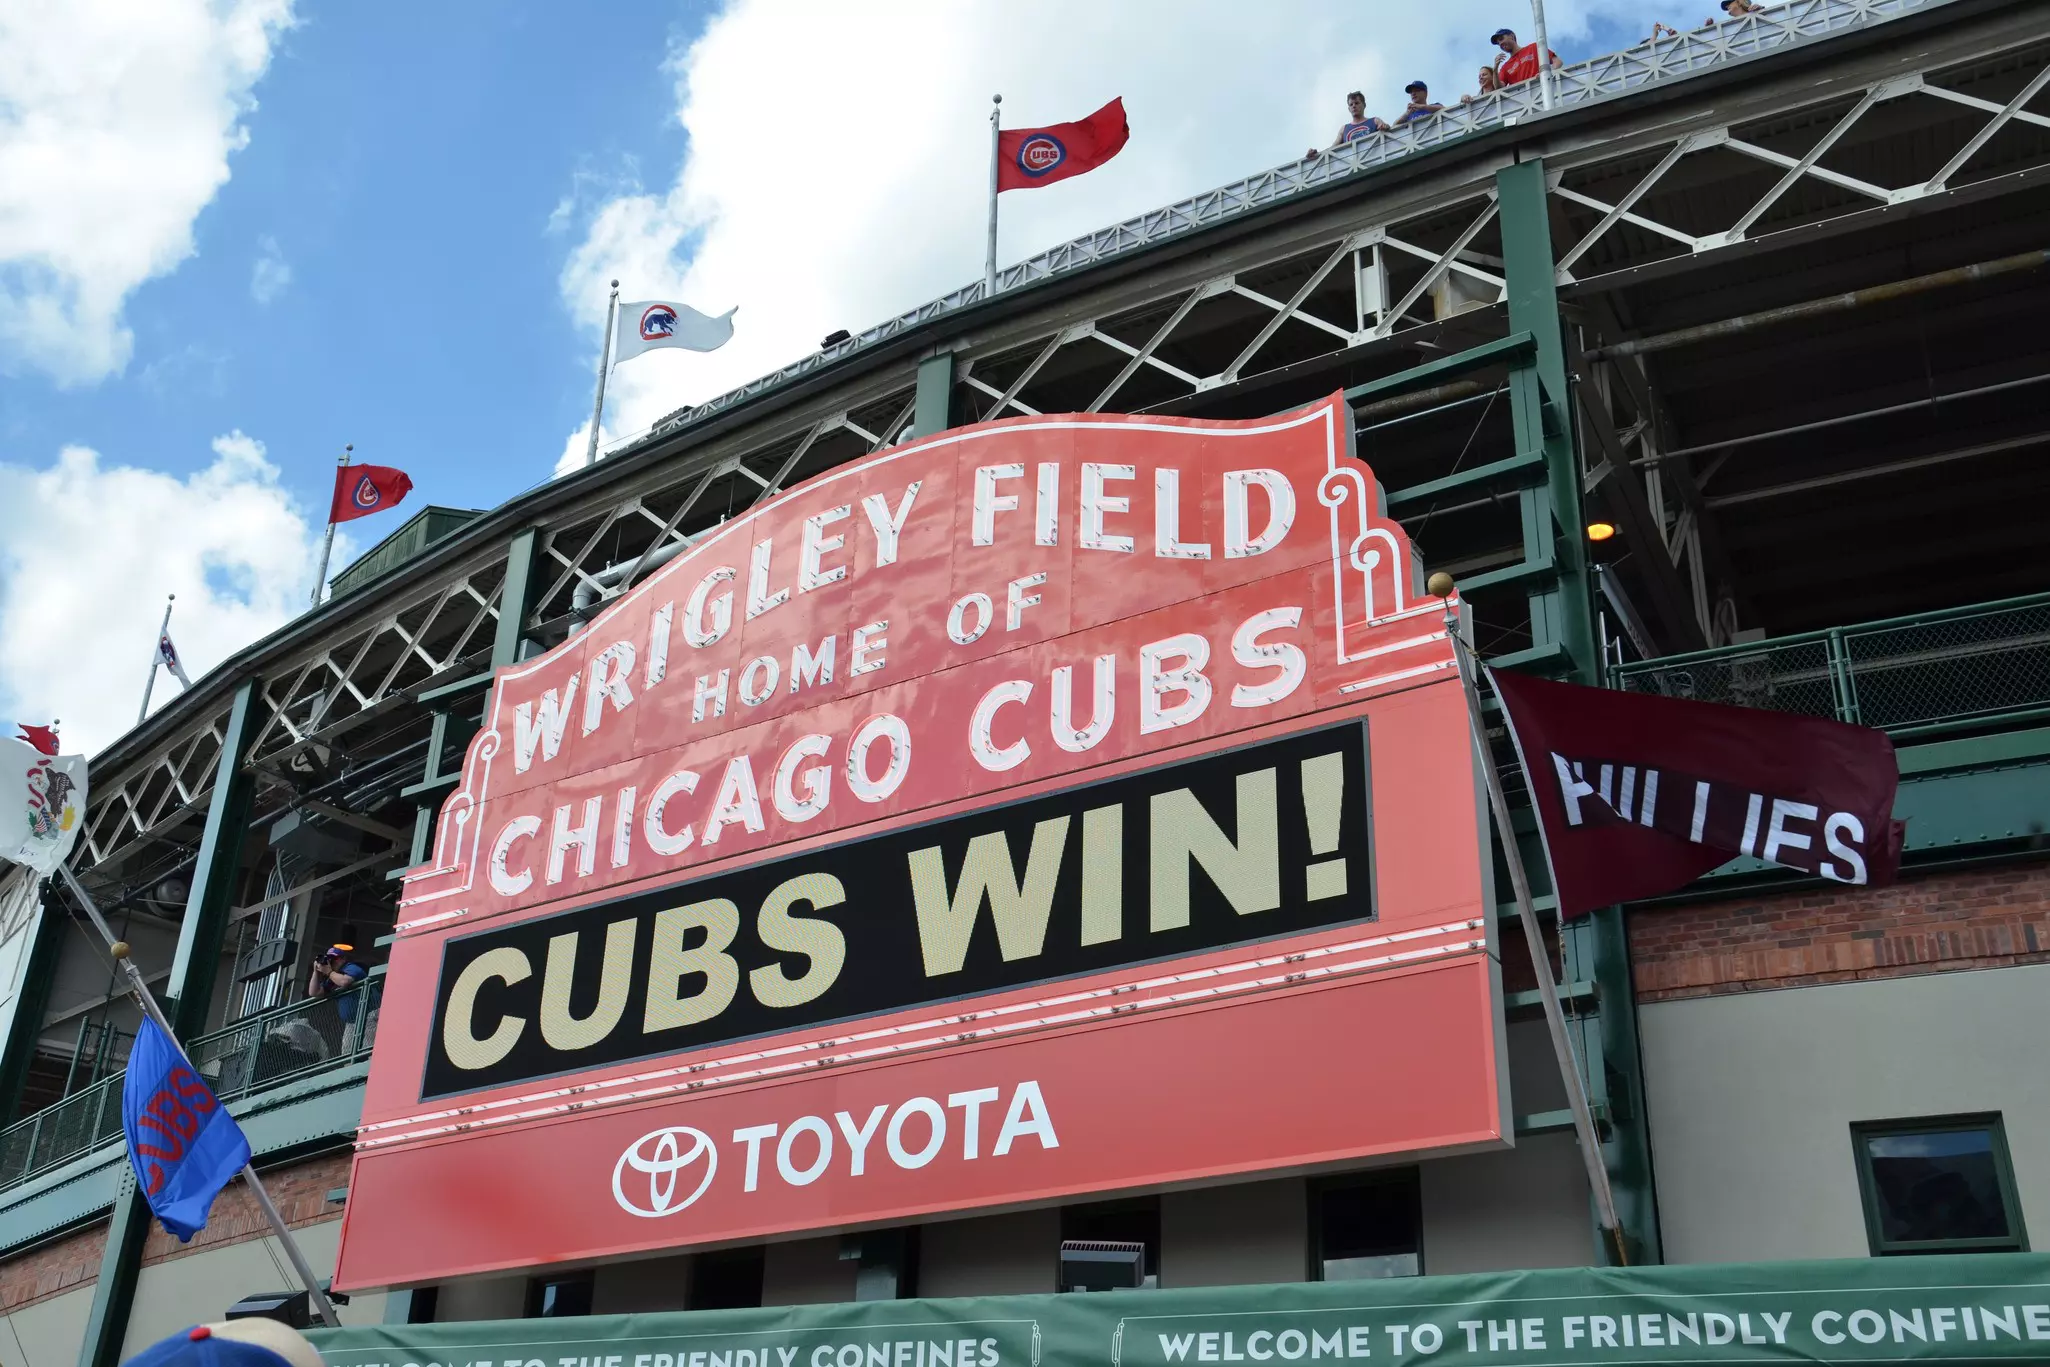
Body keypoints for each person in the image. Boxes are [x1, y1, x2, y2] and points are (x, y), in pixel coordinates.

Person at [1309, 91, 1388, 157]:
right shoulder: (1344, 129)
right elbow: (1332, 149)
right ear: (1349, 109)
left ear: (1364, 105)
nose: (1354, 106)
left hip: (1373, 159)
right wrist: (1316, 154)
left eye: (1357, 103)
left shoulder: (1375, 121)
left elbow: (1388, 131)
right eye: (1351, 104)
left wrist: (1385, 127)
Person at [308, 943, 368, 1024]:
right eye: (329, 958)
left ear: (343, 959)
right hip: (352, 1022)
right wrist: (316, 971)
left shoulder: (350, 967)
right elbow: (314, 992)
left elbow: (345, 981)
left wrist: (329, 972)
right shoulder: (333, 978)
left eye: (335, 958)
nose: (332, 961)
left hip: (368, 1016)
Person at [1492, 27, 1561, 86]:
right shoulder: (1505, 67)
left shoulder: (1533, 47)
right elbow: (1499, 88)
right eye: (1498, 43)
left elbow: (1557, 62)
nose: (1500, 44)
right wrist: (1495, 70)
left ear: (1511, 36)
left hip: (1543, 89)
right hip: (1522, 100)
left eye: (1501, 39)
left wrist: (1546, 73)